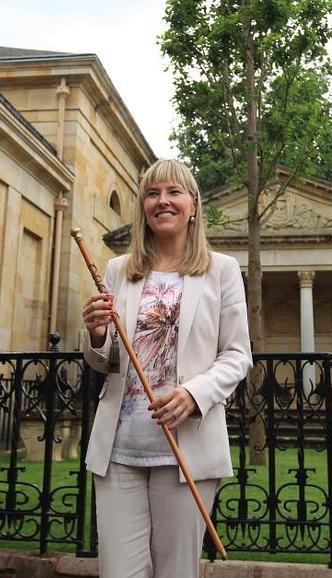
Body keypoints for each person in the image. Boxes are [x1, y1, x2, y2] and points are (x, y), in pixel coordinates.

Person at [82, 159, 252, 578]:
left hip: (185, 451)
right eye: (153, 193)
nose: (163, 201)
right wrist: (98, 333)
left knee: (176, 572)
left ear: (193, 204)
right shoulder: (118, 270)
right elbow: (104, 363)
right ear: (143, 206)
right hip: (120, 449)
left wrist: (195, 394)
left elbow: (237, 355)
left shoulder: (222, 270)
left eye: (174, 192)